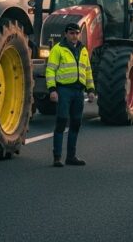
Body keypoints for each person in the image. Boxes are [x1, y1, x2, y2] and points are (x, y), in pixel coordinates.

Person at [45, 23, 96, 167]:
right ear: (66, 34)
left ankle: (71, 157)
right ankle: (57, 157)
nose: (74, 36)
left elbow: (88, 71)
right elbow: (50, 70)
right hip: (64, 91)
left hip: (78, 92)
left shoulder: (83, 50)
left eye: (77, 33)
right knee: (61, 122)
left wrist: (91, 90)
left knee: (76, 123)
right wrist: (52, 89)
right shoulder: (58, 49)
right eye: (72, 33)